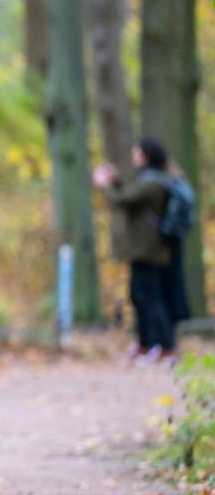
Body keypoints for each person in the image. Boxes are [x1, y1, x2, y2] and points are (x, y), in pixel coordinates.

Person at [93, 138, 186, 364]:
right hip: (144, 250)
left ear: (146, 156)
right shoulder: (153, 181)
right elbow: (130, 192)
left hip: (150, 251)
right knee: (139, 296)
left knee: (151, 299)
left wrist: (106, 185)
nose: (133, 156)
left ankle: (166, 347)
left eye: (136, 153)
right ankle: (146, 345)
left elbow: (124, 199)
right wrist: (116, 181)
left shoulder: (154, 184)